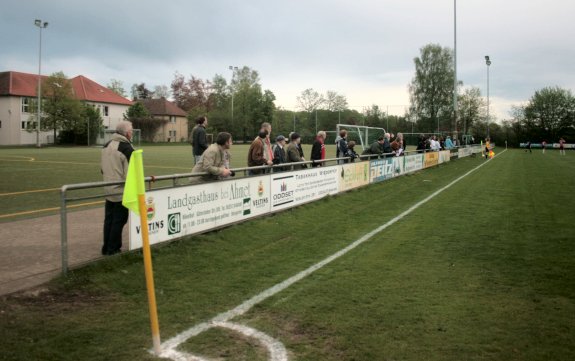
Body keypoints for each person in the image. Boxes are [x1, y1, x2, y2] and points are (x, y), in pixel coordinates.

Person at [101, 120, 134, 255]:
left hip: (108, 188)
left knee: (109, 219)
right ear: (127, 133)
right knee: (118, 220)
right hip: (121, 190)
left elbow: (102, 169)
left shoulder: (106, 145)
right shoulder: (127, 149)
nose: (132, 133)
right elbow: (130, 174)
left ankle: (106, 247)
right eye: (131, 130)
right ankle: (113, 249)